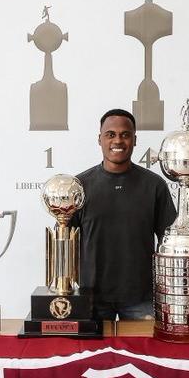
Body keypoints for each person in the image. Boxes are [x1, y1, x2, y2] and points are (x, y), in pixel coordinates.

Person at [69, 109, 177, 320]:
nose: (117, 140)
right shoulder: (78, 187)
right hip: (91, 297)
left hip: (141, 298)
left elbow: (169, 243)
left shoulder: (154, 185)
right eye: (110, 134)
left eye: (125, 134)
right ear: (99, 139)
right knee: (92, 354)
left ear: (134, 140)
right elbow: (66, 243)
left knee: (145, 353)